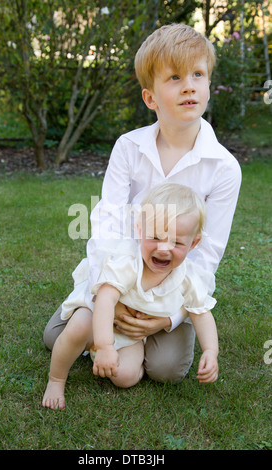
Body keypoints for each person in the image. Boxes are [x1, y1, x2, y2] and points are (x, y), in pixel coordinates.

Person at [43, 23, 241, 383]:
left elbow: (207, 252)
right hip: (123, 272)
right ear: (151, 98)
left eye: (198, 74)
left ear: (209, 84)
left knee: (167, 370)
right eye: (175, 77)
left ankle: (146, 337)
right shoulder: (129, 147)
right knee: (56, 339)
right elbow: (108, 222)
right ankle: (107, 330)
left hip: (171, 284)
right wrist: (113, 293)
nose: (189, 86)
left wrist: (170, 317)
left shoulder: (224, 167)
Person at [42, 183, 219, 409]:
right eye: (155, 237)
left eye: (176, 242)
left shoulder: (189, 278)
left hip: (130, 334)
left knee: (124, 377)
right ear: (139, 231)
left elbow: (202, 314)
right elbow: (105, 299)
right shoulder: (128, 262)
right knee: (79, 325)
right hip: (100, 317)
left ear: (193, 243)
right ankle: (57, 380)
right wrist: (105, 344)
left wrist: (211, 351)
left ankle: (120, 358)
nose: (164, 249)